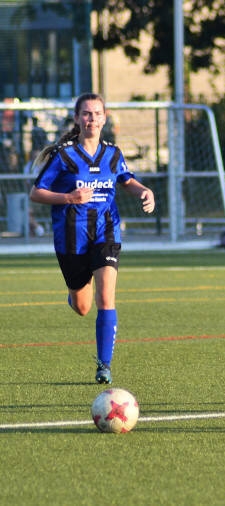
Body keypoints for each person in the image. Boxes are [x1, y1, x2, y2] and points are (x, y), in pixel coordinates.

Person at [29, 92, 156, 384]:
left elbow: (127, 180)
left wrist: (144, 191)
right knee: (83, 306)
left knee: (105, 298)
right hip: (70, 239)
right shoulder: (64, 156)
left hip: (106, 233)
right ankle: (73, 295)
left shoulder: (113, 154)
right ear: (77, 118)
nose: (92, 119)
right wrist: (68, 197)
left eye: (97, 114)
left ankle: (104, 366)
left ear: (105, 118)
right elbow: (36, 193)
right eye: (86, 114)